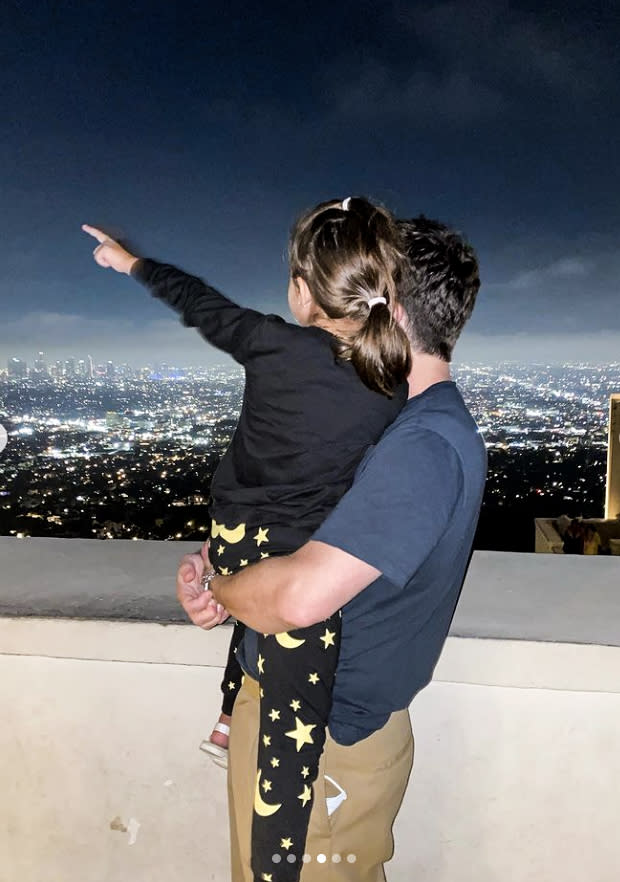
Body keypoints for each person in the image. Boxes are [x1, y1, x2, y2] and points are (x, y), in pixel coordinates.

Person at [82, 197, 411, 879]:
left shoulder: (273, 342)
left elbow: (199, 302)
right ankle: (270, 842)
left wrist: (131, 262)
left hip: (233, 543)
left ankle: (232, 708)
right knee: (293, 748)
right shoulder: (390, 381)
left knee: (263, 633)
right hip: (294, 562)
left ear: (301, 289)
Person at [178, 215, 487, 882]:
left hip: (323, 745)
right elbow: (301, 529)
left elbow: (297, 596)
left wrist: (228, 591)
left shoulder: (422, 447)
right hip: (307, 727)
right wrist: (223, 562)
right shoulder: (390, 421)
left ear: (392, 311)